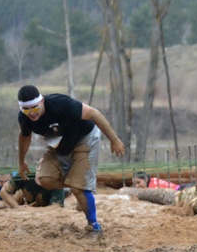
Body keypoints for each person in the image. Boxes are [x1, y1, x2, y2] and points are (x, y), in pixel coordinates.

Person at [16, 84, 125, 234]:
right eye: (26, 110)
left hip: (85, 139)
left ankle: (93, 226)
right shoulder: (25, 118)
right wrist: (21, 161)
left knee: (78, 187)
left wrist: (114, 139)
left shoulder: (60, 103)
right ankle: (79, 189)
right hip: (58, 144)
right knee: (43, 179)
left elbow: (94, 113)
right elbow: (24, 136)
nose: (31, 114)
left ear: (41, 101)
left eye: (34, 108)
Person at [1, 172, 66, 208]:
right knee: (18, 194)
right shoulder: (26, 174)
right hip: (24, 201)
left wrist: (32, 210)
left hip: (44, 206)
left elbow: (57, 207)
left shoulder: (57, 181)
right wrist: (16, 206)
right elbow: (3, 191)